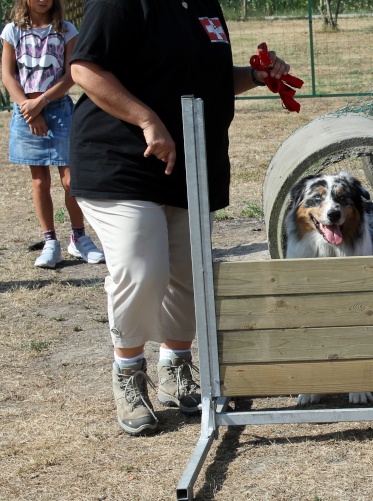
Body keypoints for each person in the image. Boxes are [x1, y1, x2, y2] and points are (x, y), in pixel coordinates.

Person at [68, 0, 291, 435]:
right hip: (121, 159)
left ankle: (176, 365)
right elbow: (85, 69)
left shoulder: (204, 4)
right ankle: (128, 372)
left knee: (190, 273)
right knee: (142, 266)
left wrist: (256, 76)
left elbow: (200, 78)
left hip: (190, 160)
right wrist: (147, 120)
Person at [1, 0, 105, 269]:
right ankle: (50, 242)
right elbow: (8, 74)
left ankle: (79, 238)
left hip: (58, 109)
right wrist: (29, 110)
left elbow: (72, 74)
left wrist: (43, 102)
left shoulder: (66, 29)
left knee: (70, 180)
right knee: (39, 181)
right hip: (25, 111)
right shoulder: (13, 31)